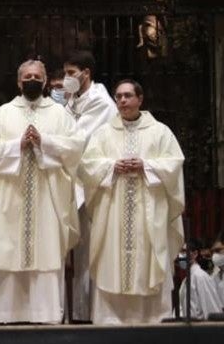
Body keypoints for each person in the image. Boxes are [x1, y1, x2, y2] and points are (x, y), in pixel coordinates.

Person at [0, 59, 82, 324]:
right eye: (27, 76)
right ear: (18, 82)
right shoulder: (3, 114)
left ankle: (46, 317)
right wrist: (17, 144)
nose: (32, 80)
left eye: (37, 76)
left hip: (47, 203)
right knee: (9, 252)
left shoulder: (60, 115)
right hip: (10, 200)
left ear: (46, 80)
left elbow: (75, 150)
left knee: (45, 255)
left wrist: (43, 143)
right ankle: (8, 317)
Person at [78, 80, 183, 324]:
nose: (122, 101)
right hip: (113, 212)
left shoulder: (160, 132)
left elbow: (174, 164)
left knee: (149, 260)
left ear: (140, 99)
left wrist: (146, 166)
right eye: (118, 97)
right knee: (112, 263)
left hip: (149, 212)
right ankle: (111, 321)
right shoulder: (103, 133)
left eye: (127, 96)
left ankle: (152, 320)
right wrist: (112, 166)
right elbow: (87, 166)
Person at [62, 50, 118, 322]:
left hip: (91, 183)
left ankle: (89, 314)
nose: (66, 79)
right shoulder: (74, 99)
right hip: (71, 179)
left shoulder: (101, 102)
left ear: (87, 73)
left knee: (88, 250)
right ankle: (72, 311)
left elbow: (78, 139)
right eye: (65, 73)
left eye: (71, 74)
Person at [178, 238, 223, 319]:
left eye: (184, 251)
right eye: (180, 252)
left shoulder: (200, 276)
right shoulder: (187, 279)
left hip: (200, 329)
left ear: (195, 254)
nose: (180, 255)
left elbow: (212, 309)